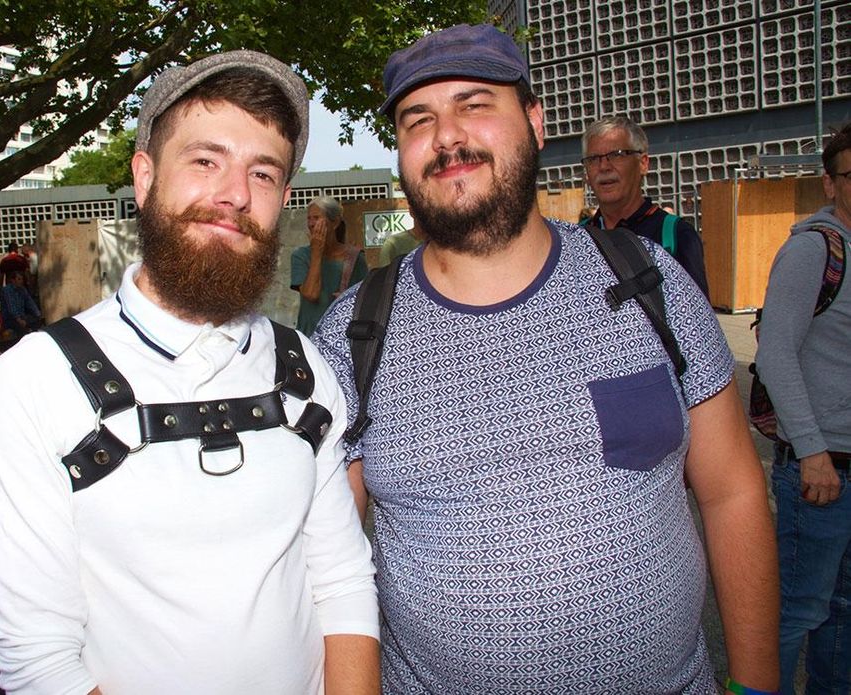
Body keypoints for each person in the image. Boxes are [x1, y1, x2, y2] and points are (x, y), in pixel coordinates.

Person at [312, 23, 779, 694]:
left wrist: (757, 685)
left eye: (475, 104)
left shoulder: (652, 283)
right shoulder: (353, 335)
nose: (446, 135)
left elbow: (733, 491)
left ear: (534, 121)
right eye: (419, 119)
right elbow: (331, 573)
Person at [0, 50, 379, 695]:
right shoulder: (35, 381)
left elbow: (343, 582)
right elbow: (40, 659)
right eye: (205, 161)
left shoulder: (307, 368)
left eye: (264, 173)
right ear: (143, 176)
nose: (235, 195)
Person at [755, 123, 851, 694]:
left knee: (844, 613)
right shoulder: (814, 250)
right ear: (830, 183)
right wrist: (812, 451)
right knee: (796, 611)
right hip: (821, 471)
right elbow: (774, 357)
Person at [581, 116, 710, 297]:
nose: (603, 167)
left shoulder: (675, 235)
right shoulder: (578, 238)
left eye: (616, 155)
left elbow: (697, 318)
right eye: (593, 159)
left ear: (643, 163)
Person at [290, 196, 368, 336]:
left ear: (335, 222)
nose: (312, 223)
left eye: (317, 218)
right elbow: (311, 294)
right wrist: (316, 253)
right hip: (310, 338)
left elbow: (364, 301)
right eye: (309, 218)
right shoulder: (301, 256)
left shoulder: (355, 258)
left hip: (342, 338)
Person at [0, 270, 41, 338]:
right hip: (9, 319)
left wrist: (38, 314)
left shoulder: (22, 289)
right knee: (21, 328)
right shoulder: (7, 290)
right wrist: (19, 319)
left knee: (36, 322)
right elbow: (11, 307)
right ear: (13, 280)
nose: (21, 281)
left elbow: (30, 302)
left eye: (22, 279)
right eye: (19, 279)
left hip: (21, 316)